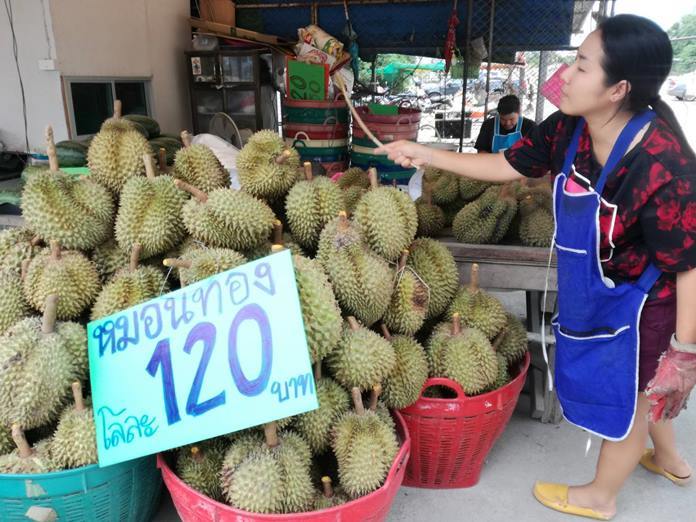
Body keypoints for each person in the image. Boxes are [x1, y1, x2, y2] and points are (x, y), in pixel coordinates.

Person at [376, 14, 696, 521]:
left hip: (647, 301)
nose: (566, 75)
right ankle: (674, 460)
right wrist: (424, 154)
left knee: (632, 395)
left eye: (583, 67)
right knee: (645, 382)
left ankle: (600, 497)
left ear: (619, 90)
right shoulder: (570, 127)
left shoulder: (663, 161)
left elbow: (688, 265)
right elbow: (508, 165)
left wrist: (684, 350)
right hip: (595, 283)